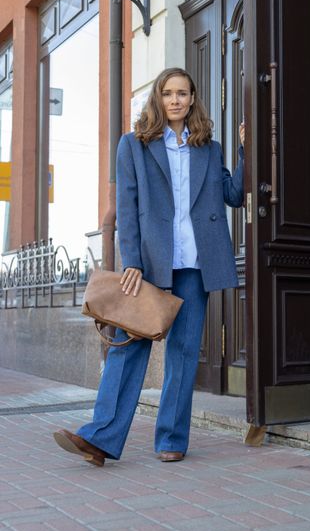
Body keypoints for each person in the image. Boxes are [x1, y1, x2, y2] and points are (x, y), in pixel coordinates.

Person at [53, 67, 245, 466]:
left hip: (195, 264)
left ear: (193, 99)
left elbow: (234, 195)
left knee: (184, 352)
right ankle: (100, 438)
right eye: (169, 93)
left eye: (183, 93)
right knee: (127, 347)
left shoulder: (210, 148)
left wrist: (247, 150)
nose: (176, 100)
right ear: (158, 98)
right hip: (150, 266)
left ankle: (172, 438)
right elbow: (128, 207)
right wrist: (133, 262)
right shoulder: (134, 145)